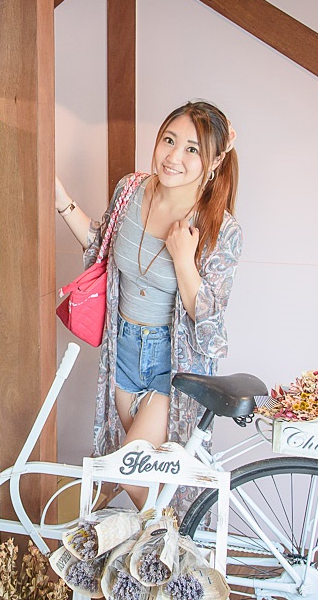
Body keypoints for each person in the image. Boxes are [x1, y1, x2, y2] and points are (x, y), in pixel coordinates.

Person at [56, 101, 243, 510]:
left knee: (130, 471)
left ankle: (174, 555)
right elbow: (99, 245)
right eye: (169, 140)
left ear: (213, 162)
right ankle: (164, 559)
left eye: (192, 149)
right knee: (148, 487)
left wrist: (182, 259)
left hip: (172, 366)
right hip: (121, 351)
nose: (174, 156)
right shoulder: (130, 190)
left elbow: (210, 327)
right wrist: (61, 200)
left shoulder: (220, 229)